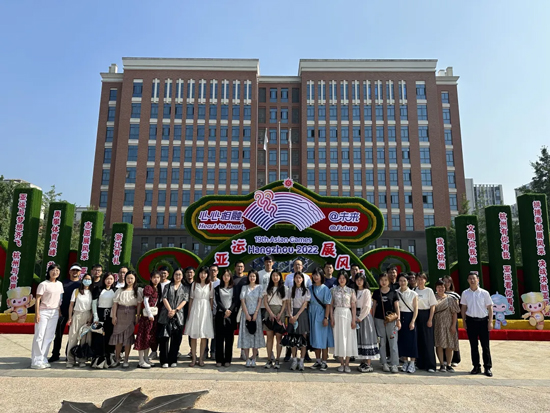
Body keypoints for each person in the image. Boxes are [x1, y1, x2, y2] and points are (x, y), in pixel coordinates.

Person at [460, 272, 494, 377]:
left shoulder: (484, 293)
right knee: (473, 346)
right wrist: (464, 321)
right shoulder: (465, 293)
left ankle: (487, 367)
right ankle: (476, 366)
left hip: (483, 321)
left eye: (474, 278)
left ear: (478, 280)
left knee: (485, 346)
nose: (472, 280)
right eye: (470, 278)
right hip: (471, 321)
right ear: (468, 280)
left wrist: (490, 321)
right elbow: (463, 308)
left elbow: (490, 307)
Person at [31, 264, 64, 369]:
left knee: (49, 336)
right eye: (53, 270)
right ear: (48, 272)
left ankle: (43, 358)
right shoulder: (43, 284)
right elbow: (37, 299)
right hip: (43, 311)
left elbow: (59, 299)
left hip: (54, 312)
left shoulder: (60, 284)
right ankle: (36, 360)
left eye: (57, 270)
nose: (55, 272)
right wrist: (37, 313)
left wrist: (59, 311)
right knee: (39, 336)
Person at [49, 263, 82, 363]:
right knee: (58, 335)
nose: (75, 272)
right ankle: (55, 354)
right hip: (62, 312)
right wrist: (59, 310)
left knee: (72, 336)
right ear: (70, 272)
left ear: (80, 272)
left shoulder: (81, 285)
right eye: (73, 270)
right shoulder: (63, 283)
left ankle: (69, 355)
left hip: (75, 313)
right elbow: (58, 297)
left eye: (77, 271)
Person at [110, 271, 143, 368]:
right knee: (118, 337)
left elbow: (139, 304)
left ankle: (126, 359)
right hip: (120, 313)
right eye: (128, 278)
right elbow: (115, 303)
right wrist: (114, 316)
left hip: (131, 314)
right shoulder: (120, 290)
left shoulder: (138, 291)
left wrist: (137, 315)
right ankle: (117, 358)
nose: (129, 280)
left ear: (135, 279)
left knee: (128, 337)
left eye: (132, 278)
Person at [158, 268, 190, 367]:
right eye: (176, 274)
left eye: (180, 274)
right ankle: (164, 360)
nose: (178, 276)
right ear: (173, 275)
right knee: (164, 338)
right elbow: (164, 298)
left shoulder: (185, 288)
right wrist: (170, 310)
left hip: (179, 315)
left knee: (176, 338)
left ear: (182, 276)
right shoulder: (168, 286)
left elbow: (185, 300)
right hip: (166, 314)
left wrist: (175, 310)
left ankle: (173, 359)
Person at [184, 266, 215, 367]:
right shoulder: (194, 284)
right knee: (193, 335)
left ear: (207, 274)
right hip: (195, 309)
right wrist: (189, 313)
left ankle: (201, 358)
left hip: (205, 310)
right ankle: (194, 358)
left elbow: (211, 299)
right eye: (201, 273)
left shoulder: (210, 285)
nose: (203, 275)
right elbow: (191, 299)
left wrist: (210, 312)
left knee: (203, 335)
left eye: (205, 273)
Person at [372, 273, 401, 373]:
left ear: (389, 281)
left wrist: (398, 320)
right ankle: (384, 362)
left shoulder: (394, 292)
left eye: (385, 280)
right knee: (382, 342)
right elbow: (374, 306)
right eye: (381, 280)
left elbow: (397, 307)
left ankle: (394, 364)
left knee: (393, 342)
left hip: (391, 320)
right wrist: (372, 319)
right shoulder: (376, 292)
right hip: (379, 320)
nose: (383, 282)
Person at [330, 270, 357, 373]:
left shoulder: (351, 291)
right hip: (337, 314)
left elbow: (353, 306)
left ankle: (347, 363)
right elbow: (331, 306)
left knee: (348, 338)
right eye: (340, 278)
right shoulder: (333, 290)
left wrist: (354, 320)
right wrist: (331, 318)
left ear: (346, 279)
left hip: (347, 314)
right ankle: (341, 363)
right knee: (339, 338)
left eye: (344, 278)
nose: (342, 280)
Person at [238, 270, 265, 368]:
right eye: (250, 276)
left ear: (256, 277)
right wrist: (247, 314)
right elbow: (243, 301)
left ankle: (254, 358)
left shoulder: (259, 287)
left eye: (254, 276)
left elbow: (260, 301)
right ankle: (247, 359)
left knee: (255, 336)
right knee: (246, 336)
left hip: (256, 315)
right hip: (246, 314)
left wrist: (256, 313)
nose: (252, 278)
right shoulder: (244, 287)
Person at [66, 273, 94, 368]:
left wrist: (90, 318)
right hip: (77, 314)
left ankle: (82, 360)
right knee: (73, 338)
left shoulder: (91, 292)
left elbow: (93, 307)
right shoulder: (76, 291)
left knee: (85, 339)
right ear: (82, 280)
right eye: (85, 279)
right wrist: (70, 317)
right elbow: (71, 305)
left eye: (89, 279)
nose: (87, 281)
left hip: (87, 315)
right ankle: (70, 360)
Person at [134, 271, 161, 368]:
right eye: (154, 277)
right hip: (147, 318)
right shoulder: (148, 288)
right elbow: (145, 301)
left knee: (149, 338)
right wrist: (149, 314)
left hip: (153, 317)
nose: (156, 279)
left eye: (158, 277)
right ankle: (141, 361)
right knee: (143, 338)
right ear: (150, 278)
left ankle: (146, 358)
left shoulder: (157, 288)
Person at [308, 268, 333, 371]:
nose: (315, 277)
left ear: (322, 276)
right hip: (312, 314)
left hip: (321, 315)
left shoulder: (325, 289)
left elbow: (328, 305)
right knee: (315, 338)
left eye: (317, 275)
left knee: (323, 339)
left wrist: (326, 317)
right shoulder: (310, 288)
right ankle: (317, 360)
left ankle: (324, 361)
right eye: (314, 275)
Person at [90, 272, 117, 368]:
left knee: (109, 337)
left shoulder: (115, 290)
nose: (109, 281)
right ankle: (98, 360)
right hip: (100, 315)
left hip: (110, 315)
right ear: (104, 280)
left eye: (111, 279)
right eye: (107, 279)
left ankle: (109, 359)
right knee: (98, 337)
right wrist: (95, 316)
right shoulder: (98, 289)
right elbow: (94, 303)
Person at [433, 279, 460, 372]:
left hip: (449, 323)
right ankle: (441, 364)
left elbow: (455, 313)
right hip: (438, 324)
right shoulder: (433, 298)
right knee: (439, 344)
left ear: (445, 288)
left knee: (449, 344)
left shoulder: (450, 298)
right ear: (436, 288)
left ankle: (448, 364)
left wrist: (453, 325)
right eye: (438, 287)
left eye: (442, 287)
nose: (440, 288)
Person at [354, 273, 379, 373]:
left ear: (364, 281)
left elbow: (367, 306)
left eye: (361, 279)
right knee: (360, 339)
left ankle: (368, 363)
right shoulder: (354, 291)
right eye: (357, 280)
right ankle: (363, 361)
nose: (359, 281)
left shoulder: (367, 291)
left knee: (366, 338)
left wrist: (360, 318)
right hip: (356, 316)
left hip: (365, 317)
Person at [263, 270, 288, 369]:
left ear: (280, 277)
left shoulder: (284, 288)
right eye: (273, 275)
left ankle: (277, 359)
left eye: (277, 275)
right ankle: (269, 359)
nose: (275, 277)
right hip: (269, 312)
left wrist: (280, 314)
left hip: (280, 313)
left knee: (279, 338)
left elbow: (285, 303)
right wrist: (271, 313)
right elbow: (265, 302)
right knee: (269, 338)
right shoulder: (267, 288)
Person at [286, 271, 310, 371]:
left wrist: (296, 315)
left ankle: (301, 360)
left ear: (302, 279)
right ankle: (294, 360)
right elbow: (288, 303)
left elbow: (305, 304)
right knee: (293, 338)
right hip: (292, 314)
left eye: (300, 278)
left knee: (303, 338)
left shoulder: (306, 290)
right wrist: (291, 315)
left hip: (302, 314)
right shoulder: (290, 290)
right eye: (296, 278)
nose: (298, 279)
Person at [214, 269, 238, 367]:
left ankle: (228, 359)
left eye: (228, 275)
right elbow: (218, 301)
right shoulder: (217, 288)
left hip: (231, 316)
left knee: (229, 339)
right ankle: (219, 359)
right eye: (224, 275)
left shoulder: (234, 288)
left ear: (230, 277)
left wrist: (229, 310)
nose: (226, 277)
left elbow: (236, 301)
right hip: (220, 314)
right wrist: (225, 310)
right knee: (219, 339)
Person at [414, 273, 437, 373]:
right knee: (418, 340)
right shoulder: (414, 290)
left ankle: (430, 365)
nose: (420, 281)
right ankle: (420, 363)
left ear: (425, 280)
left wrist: (430, 319)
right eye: (418, 279)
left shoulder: (429, 291)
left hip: (426, 314)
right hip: (416, 315)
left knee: (428, 341)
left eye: (422, 279)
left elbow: (433, 306)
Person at [396, 273, 418, 373]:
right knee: (402, 340)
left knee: (412, 341)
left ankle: (412, 363)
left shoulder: (413, 294)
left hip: (410, 316)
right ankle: (405, 361)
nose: (402, 283)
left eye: (404, 280)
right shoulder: (396, 293)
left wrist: (413, 321)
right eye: (400, 281)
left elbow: (416, 309)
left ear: (408, 281)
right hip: (400, 317)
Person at [149, 266, 171, 361]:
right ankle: (154, 351)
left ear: (168, 274)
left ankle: (165, 352)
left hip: (166, 310)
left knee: (166, 332)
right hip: (155, 310)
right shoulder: (155, 284)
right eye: (161, 272)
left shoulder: (170, 284)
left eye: (165, 273)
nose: (163, 275)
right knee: (154, 331)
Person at [442, 275, 461, 367]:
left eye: (448, 282)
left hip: (452, 319)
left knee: (453, 339)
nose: (447, 284)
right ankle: (444, 359)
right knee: (443, 339)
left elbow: (456, 309)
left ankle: (455, 359)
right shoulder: (438, 293)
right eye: (445, 281)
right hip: (441, 320)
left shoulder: (455, 295)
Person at [205, 264, 220, 360]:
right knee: (206, 332)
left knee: (215, 332)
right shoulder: (206, 282)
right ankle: (205, 351)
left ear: (217, 272)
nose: (213, 272)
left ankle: (213, 351)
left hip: (217, 311)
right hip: (206, 311)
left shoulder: (220, 282)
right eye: (211, 270)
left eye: (214, 270)